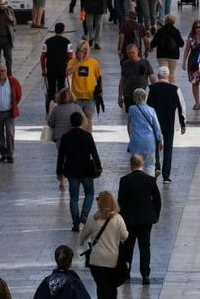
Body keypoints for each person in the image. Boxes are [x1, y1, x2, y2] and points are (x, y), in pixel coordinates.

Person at [117, 154, 162, 284]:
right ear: (142, 164)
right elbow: (157, 200)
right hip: (145, 220)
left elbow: (121, 201)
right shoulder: (150, 180)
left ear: (131, 165)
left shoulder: (124, 180)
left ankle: (126, 273)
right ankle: (145, 275)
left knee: (128, 248)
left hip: (129, 220)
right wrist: (155, 215)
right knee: (145, 248)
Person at [78, 191, 130, 299]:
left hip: (96, 260)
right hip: (112, 260)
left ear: (99, 203)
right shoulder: (118, 219)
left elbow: (82, 238)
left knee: (101, 288)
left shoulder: (93, 218)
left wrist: (84, 242)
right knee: (111, 289)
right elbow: (125, 237)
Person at [57, 112, 102, 231]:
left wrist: (59, 172)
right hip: (87, 170)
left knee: (74, 197)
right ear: (82, 122)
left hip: (72, 171)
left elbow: (61, 157)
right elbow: (94, 153)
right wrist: (99, 166)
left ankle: (75, 222)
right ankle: (85, 214)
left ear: (70, 122)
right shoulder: (87, 135)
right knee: (90, 193)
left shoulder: (65, 137)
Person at [146, 68, 186, 183]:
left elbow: (145, 105)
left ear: (158, 76)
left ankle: (156, 167)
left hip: (154, 124)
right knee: (168, 149)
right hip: (169, 123)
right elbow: (181, 108)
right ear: (168, 76)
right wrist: (183, 124)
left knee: (155, 147)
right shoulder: (175, 89)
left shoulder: (150, 88)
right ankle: (166, 176)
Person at [126, 88, 164, 176]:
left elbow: (129, 125)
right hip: (149, 142)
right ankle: (149, 184)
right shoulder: (151, 110)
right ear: (145, 97)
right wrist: (160, 140)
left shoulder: (131, 109)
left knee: (136, 166)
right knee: (150, 165)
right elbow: (157, 127)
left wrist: (131, 137)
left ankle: (137, 184)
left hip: (135, 141)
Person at [42, 23, 74, 112]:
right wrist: (70, 68)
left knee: (51, 88)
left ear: (55, 30)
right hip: (62, 69)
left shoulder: (47, 41)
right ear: (63, 30)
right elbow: (70, 57)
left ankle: (49, 108)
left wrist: (43, 69)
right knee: (61, 87)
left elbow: (42, 57)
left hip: (51, 68)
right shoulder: (67, 42)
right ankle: (61, 106)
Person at [66, 41, 102, 121]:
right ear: (77, 51)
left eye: (85, 50)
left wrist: (100, 91)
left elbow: (99, 78)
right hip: (77, 96)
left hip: (90, 96)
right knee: (78, 120)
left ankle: (88, 133)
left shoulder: (93, 62)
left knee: (88, 119)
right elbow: (68, 73)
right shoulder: (72, 62)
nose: (84, 53)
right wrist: (80, 62)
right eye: (81, 50)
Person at [118, 43, 155, 110]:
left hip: (141, 95)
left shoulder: (145, 63)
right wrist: (120, 96)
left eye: (133, 52)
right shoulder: (125, 64)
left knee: (141, 114)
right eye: (129, 53)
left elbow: (152, 77)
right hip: (128, 95)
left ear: (137, 52)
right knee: (130, 115)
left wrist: (156, 89)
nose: (131, 55)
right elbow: (122, 80)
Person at [151, 14, 184, 79]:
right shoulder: (176, 31)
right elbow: (181, 44)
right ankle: (172, 87)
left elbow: (153, 43)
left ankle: (164, 85)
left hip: (162, 55)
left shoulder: (160, 31)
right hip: (174, 55)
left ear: (165, 21)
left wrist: (150, 48)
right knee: (172, 72)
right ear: (174, 21)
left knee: (163, 72)